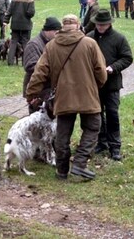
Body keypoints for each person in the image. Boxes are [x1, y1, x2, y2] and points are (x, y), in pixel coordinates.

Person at [25, 14, 107, 181]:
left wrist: (31, 93)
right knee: (92, 127)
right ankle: (80, 163)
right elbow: (101, 71)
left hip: (63, 96)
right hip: (87, 95)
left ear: (62, 27)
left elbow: (39, 73)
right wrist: (95, 85)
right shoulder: (90, 44)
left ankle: (62, 170)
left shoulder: (51, 46)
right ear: (77, 26)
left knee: (63, 133)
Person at [86, 10, 133, 161]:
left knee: (112, 114)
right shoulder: (89, 38)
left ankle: (115, 146)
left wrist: (113, 68)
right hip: (94, 85)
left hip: (112, 84)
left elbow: (127, 58)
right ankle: (101, 141)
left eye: (103, 24)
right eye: (98, 24)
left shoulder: (119, 38)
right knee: (97, 115)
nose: (100, 26)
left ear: (109, 23)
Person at [22, 16, 61, 112]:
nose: (57, 35)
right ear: (47, 31)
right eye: (55, 32)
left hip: (47, 88)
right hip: (36, 88)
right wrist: (51, 70)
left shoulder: (53, 44)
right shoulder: (34, 44)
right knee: (36, 118)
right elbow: (30, 66)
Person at [7, 0, 36, 65]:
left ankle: (10, 62)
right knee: (25, 43)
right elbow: (31, 13)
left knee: (13, 42)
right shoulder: (30, 0)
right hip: (25, 25)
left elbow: (9, 11)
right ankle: (25, 62)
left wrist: (6, 21)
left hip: (15, 24)